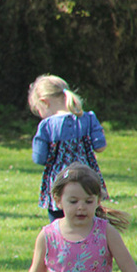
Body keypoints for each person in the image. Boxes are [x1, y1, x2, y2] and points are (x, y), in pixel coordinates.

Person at [28, 74, 107, 222]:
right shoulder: (89, 118)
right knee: (90, 226)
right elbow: (100, 146)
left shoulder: (47, 125)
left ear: (45, 102)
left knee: (58, 228)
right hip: (88, 182)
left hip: (60, 186)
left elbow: (39, 158)